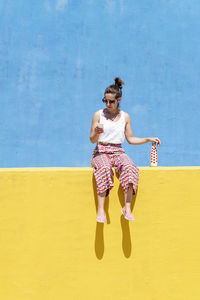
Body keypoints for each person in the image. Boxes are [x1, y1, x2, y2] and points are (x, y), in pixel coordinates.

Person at [90, 77, 161, 223]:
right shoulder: (99, 115)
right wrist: (96, 133)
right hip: (101, 151)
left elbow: (131, 139)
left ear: (119, 100)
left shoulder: (125, 117)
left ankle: (127, 208)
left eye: (111, 101)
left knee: (130, 167)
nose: (108, 104)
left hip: (118, 151)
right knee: (104, 168)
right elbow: (92, 139)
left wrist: (148, 139)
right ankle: (101, 210)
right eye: (105, 100)